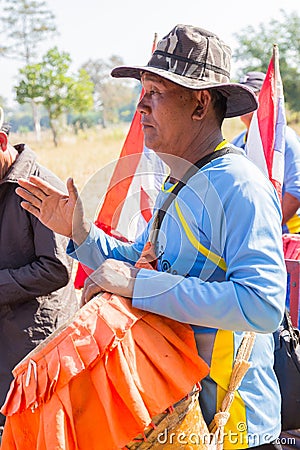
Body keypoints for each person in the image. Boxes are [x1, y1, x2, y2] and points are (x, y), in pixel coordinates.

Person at [16, 25, 286, 449]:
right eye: (142, 91)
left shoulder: (239, 185)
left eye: (155, 92)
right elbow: (140, 260)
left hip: (232, 425)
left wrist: (139, 286)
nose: (140, 105)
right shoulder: (178, 179)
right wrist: (80, 233)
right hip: (177, 416)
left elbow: (262, 305)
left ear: (200, 105)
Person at [0, 108, 78, 437]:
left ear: (2, 141)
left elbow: (57, 268)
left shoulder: (40, 186)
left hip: (36, 343)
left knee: (40, 434)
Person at [231, 71, 300, 234]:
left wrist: (266, 231)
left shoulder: (284, 139)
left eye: (251, 95)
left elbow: (296, 192)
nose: (244, 102)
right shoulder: (237, 142)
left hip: (287, 233)